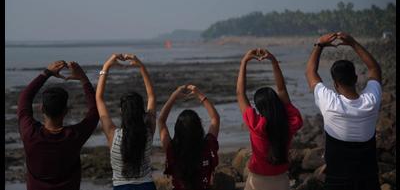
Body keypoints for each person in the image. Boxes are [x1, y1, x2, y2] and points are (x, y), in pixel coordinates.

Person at [305, 32, 382, 190]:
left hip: (337, 182)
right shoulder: (371, 101)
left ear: (335, 84)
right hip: (369, 181)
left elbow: (310, 72)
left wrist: (319, 44)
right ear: (356, 79)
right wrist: (353, 43)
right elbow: (374, 68)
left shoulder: (329, 103)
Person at [17, 60, 99, 190]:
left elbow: (24, 98)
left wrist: (46, 73)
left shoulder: (30, 134)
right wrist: (83, 79)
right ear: (66, 111)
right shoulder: (74, 136)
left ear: (41, 109)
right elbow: (95, 112)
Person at [236, 48, 303, 190]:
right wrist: (273, 61)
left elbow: (240, 93)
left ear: (259, 108)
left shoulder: (256, 124)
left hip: (258, 180)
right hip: (281, 180)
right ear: (277, 103)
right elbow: (282, 90)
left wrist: (244, 62)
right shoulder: (290, 123)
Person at [96, 53, 157, 190]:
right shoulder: (148, 132)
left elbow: (99, 98)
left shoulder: (113, 135)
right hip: (147, 186)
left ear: (121, 112)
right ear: (142, 112)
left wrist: (106, 66)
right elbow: (152, 96)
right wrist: (141, 66)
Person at [158, 85, 220, 190]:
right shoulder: (208, 146)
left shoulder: (172, 148)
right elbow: (215, 118)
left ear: (177, 129)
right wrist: (200, 95)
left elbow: (161, 121)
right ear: (199, 128)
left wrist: (173, 96)